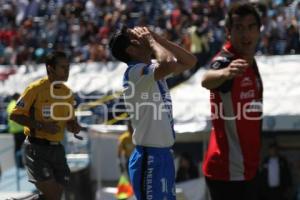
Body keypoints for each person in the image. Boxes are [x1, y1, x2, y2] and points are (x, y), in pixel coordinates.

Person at [109, 26, 196, 200]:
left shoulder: (151, 69)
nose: (144, 36)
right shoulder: (134, 72)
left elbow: (190, 61)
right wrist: (150, 41)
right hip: (149, 157)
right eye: (137, 37)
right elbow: (170, 63)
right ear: (131, 50)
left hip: (163, 154)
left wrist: (158, 39)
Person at [201, 2, 263, 200]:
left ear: (258, 31)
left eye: (250, 27)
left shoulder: (250, 61)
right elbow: (206, 80)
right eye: (239, 28)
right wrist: (226, 73)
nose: (245, 34)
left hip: (248, 169)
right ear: (228, 32)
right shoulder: (226, 60)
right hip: (227, 172)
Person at [10, 51, 82, 200]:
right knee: (53, 196)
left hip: (58, 150)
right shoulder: (35, 89)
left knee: (53, 197)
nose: (67, 71)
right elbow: (14, 115)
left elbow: (70, 121)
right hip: (37, 148)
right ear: (50, 68)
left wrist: (74, 126)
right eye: (63, 67)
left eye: (68, 67)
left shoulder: (68, 93)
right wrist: (42, 126)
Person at [6, 93, 25, 168]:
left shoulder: (10, 105)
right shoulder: (17, 103)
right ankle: (22, 164)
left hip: (14, 130)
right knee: (24, 147)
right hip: (20, 129)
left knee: (17, 148)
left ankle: (19, 164)